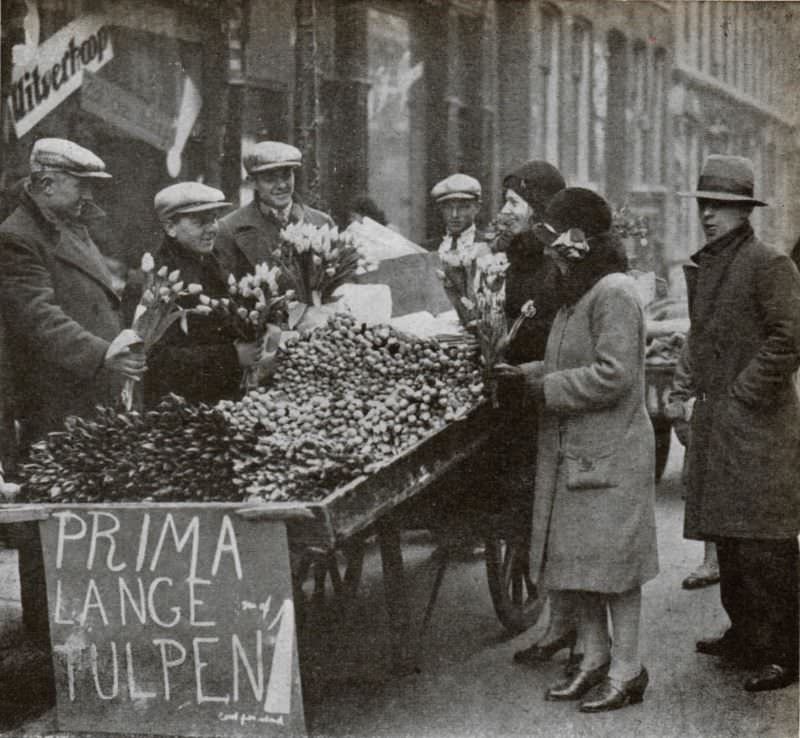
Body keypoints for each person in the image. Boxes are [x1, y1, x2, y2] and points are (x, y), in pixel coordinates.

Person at [496, 188, 658, 712]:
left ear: (583, 236)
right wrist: (526, 373)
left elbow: (615, 374)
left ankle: (628, 669)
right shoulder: (578, 290)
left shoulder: (613, 292)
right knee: (580, 564)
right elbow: (571, 359)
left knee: (615, 569)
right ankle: (593, 660)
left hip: (610, 453)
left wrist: (546, 389)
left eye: (556, 230)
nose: (548, 241)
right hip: (580, 452)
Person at [0, 138, 146, 642]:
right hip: (55, 401)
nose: (88, 195)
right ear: (44, 182)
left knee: (87, 520)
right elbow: (38, 318)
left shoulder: (69, 227)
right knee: (55, 523)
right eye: (80, 184)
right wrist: (101, 352)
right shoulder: (17, 237)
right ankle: (49, 642)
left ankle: (85, 634)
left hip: (91, 395)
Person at [677, 155, 800, 692]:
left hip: (759, 426)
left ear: (745, 211)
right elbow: (702, 338)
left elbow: (790, 338)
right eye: (705, 205)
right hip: (720, 423)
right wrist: (687, 389)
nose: (709, 215)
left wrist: (743, 395)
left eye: (722, 207)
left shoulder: (768, 263)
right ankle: (746, 633)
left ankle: (786, 650)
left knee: (766, 541)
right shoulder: (709, 265)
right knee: (727, 533)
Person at [144, 182, 274, 406]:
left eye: (213, 218)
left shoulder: (216, 263)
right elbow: (154, 360)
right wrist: (232, 357)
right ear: (170, 227)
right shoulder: (154, 280)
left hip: (224, 401)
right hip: (181, 413)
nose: (212, 228)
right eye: (199, 221)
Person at [215, 141, 334, 279]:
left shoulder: (321, 222)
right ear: (252, 182)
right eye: (270, 179)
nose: (282, 185)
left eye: (286, 175)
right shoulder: (229, 229)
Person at [664, 344, 720, 590]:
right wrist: (683, 425)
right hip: (708, 427)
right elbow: (681, 384)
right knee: (709, 494)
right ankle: (712, 561)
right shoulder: (700, 331)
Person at [425, 173, 487, 254]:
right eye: (448, 208)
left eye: (462, 207)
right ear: (441, 209)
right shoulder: (428, 249)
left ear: (477, 208)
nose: (454, 215)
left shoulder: (490, 245)